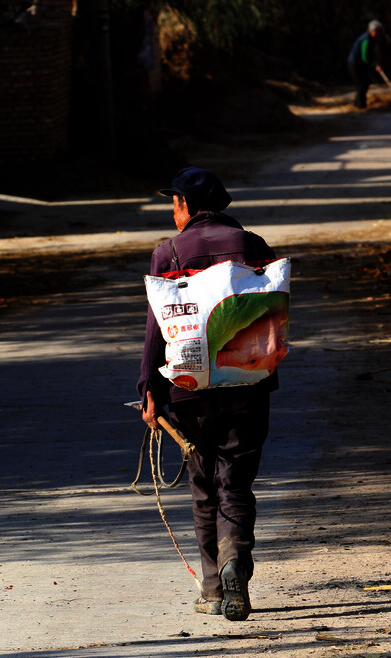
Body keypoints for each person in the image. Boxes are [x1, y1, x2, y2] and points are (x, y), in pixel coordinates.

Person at [137, 167, 279, 621]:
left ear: (185, 205)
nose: (171, 211)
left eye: (173, 202)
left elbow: (156, 331)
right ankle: (236, 559)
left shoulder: (169, 252)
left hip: (187, 390)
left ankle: (214, 588)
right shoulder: (254, 247)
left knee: (203, 487)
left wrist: (149, 391)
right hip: (248, 382)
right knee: (235, 481)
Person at [347, 19, 386, 109]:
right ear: (373, 31)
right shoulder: (366, 40)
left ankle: (358, 104)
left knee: (364, 84)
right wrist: (374, 65)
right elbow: (364, 57)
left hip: (359, 64)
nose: (379, 34)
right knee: (362, 85)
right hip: (355, 64)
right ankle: (360, 106)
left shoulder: (370, 39)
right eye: (378, 31)